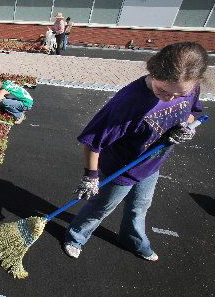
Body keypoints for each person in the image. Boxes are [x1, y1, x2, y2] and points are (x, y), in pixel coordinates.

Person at [63, 42, 208, 262]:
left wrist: (187, 126)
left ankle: (132, 239)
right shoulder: (129, 101)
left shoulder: (189, 88)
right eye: (163, 90)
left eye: (180, 94)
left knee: (139, 208)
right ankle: (75, 237)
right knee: (101, 208)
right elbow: (94, 141)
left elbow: (193, 113)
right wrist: (90, 176)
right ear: (153, 71)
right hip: (120, 168)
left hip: (151, 164)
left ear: (195, 83)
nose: (170, 98)